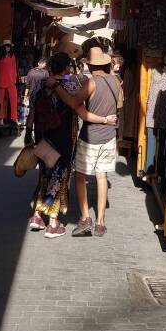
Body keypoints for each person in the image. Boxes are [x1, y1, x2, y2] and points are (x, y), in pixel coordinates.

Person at [26, 53, 116, 239]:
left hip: (43, 135)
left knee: (44, 174)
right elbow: (76, 103)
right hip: (63, 136)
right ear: (67, 67)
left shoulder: (42, 85)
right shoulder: (72, 85)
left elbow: (33, 109)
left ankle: (36, 216)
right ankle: (52, 222)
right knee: (60, 175)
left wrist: (28, 132)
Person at [69, 45, 121, 238]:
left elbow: (76, 105)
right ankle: (100, 223)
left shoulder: (91, 83)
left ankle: (85, 218)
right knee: (102, 177)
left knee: (81, 176)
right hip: (109, 136)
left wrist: (101, 119)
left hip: (90, 136)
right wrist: (108, 119)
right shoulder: (115, 81)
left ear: (90, 66)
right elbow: (120, 104)